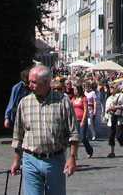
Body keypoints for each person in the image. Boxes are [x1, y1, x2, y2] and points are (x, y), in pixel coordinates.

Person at [9, 65, 79, 195]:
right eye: (29, 82)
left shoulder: (62, 101)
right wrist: (16, 160)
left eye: (34, 82)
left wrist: (72, 157)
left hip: (55, 160)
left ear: (46, 82)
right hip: (30, 159)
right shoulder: (24, 103)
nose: (30, 85)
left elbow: (73, 133)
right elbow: (18, 135)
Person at [104, 83, 123, 157]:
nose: (111, 89)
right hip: (111, 118)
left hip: (120, 118)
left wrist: (116, 107)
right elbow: (106, 108)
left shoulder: (121, 96)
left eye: (112, 88)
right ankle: (112, 151)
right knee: (111, 135)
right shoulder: (109, 98)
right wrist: (107, 113)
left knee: (119, 135)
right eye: (110, 88)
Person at [71, 82, 93, 158]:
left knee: (83, 137)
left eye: (76, 89)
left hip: (82, 120)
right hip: (74, 120)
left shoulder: (84, 99)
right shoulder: (73, 99)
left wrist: (83, 120)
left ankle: (89, 150)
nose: (75, 91)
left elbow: (86, 110)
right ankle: (74, 154)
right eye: (74, 90)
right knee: (75, 138)